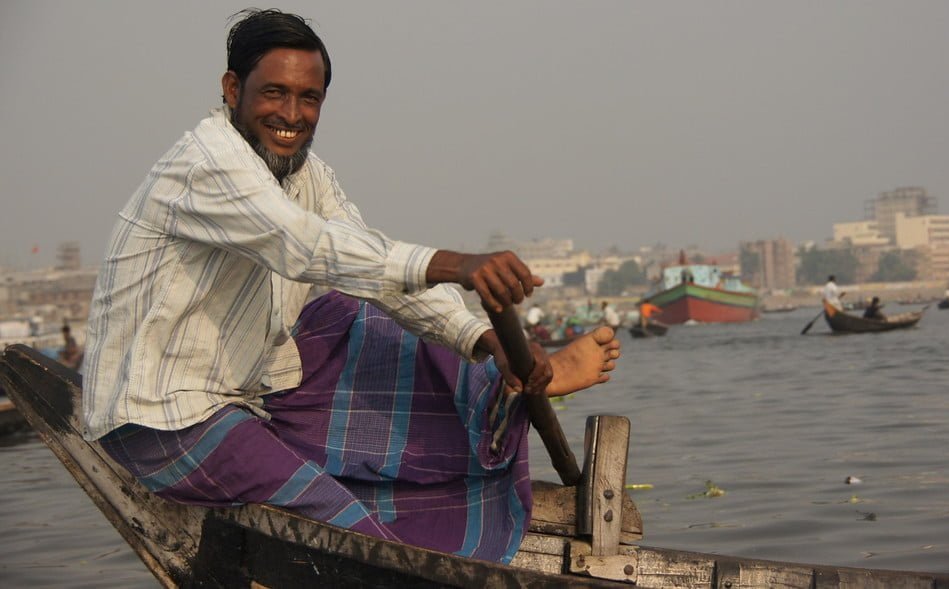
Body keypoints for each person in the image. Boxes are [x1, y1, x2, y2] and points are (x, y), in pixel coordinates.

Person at [81, 9, 620, 564]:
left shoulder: (306, 174)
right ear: (232, 89)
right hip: (161, 417)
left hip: (249, 387)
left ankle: (499, 389)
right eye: (274, 93)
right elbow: (310, 247)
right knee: (344, 527)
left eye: (308, 98)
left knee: (377, 317)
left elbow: (376, 272)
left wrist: (488, 339)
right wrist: (458, 264)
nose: (291, 115)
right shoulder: (205, 165)